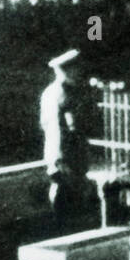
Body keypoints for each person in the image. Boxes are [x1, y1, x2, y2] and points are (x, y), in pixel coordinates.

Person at [40, 49, 93, 228]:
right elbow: (69, 127)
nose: (79, 72)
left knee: (60, 189)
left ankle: (59, 225)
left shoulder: (48, 92)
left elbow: (44, 124)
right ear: (68, 70)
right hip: (69, 154)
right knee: (72, 194)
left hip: (54, 152)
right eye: (76, 69)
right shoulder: (66, 94)